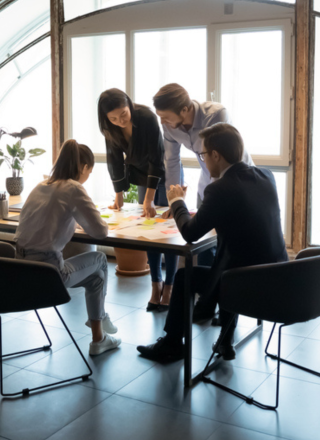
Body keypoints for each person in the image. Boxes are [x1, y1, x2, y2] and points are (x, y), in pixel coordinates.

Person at [137, 123, 288, 362]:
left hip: (245, 285)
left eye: (203, 154)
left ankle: (172, 344)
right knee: (230, 262)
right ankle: (225, 342)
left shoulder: (219, 189)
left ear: (216, 155)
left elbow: (189, 233)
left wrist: (176, 201)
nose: (203, 160)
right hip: (281, 280)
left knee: (185, 276)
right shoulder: (266, 176)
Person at [153, 83, 254, 320]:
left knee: (225, 243)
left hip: (235, 181)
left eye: (166, 117)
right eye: (161, 118)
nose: (164, 122)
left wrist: (212, 197)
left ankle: (227, 301)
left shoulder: (216, 114)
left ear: (185, 109)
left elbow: (222, 156)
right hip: (206, 181)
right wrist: (173, 199)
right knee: (204, 245)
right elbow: (172, 161)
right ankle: (208, 301)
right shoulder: (169, 126)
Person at [14, 139, 121, 356]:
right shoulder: (73, 188)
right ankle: (99, 325)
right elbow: (100, 231)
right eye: (89, 171)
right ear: (83, 168)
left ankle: (99, 334)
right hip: (49, 276)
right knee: (100, 260)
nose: (87, 176)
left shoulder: (41, 185)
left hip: (18, 275)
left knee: (96, 277)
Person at [98, 88, 180, 311]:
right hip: (144, 176)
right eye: (113, 118)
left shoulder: (146, 118)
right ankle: (156, 285)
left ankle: (170, 287)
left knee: (168, 233)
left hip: (164, 174)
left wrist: (149, 198)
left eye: (123, 114)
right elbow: (114, 159)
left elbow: (156, 157)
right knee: (149, 233)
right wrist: (118, 195)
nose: (120, 121)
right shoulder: (110, 127)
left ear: (129, 104)